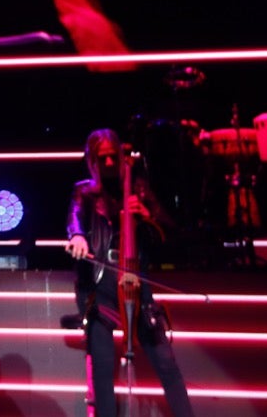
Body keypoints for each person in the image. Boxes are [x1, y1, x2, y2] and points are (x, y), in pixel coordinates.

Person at [66, 129, 195, 417]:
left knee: (166, 361)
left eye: (115, 157)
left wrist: (148, 217)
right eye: (103, 159)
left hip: (136, 280)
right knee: (102, 363)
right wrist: (77, 236)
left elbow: (171, 232)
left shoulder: (137, 188)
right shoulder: (85, 191)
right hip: (102, 285)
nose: (110, 164)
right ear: (92, 161)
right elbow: (74, 217)